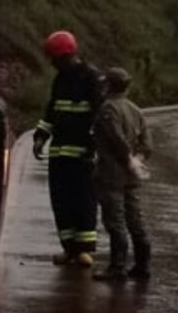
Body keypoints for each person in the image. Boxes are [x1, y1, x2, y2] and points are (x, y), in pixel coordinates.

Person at [33, 30, 106, 267]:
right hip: (59, 153)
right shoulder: (61, 80)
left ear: (64, 56)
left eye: (54, 59)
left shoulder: (91, 78)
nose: (53, 64)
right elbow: (52, 110)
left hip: (82, 154)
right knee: (61, 202)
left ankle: (85, 250)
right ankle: (69, 249)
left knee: (83, 200)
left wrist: (93, 147)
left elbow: (100, 117)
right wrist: (41, 135)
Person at [92, 67, 153, 282]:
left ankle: (117, 267)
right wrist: (136, 163)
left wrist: (127, 160)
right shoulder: (136, 110)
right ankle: (142, 265)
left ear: (108, 85)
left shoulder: (108, 109)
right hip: (131, 177)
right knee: (135, 220)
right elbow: (147, 146)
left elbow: (115, 139)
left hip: (111, 175)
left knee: (115, 221)